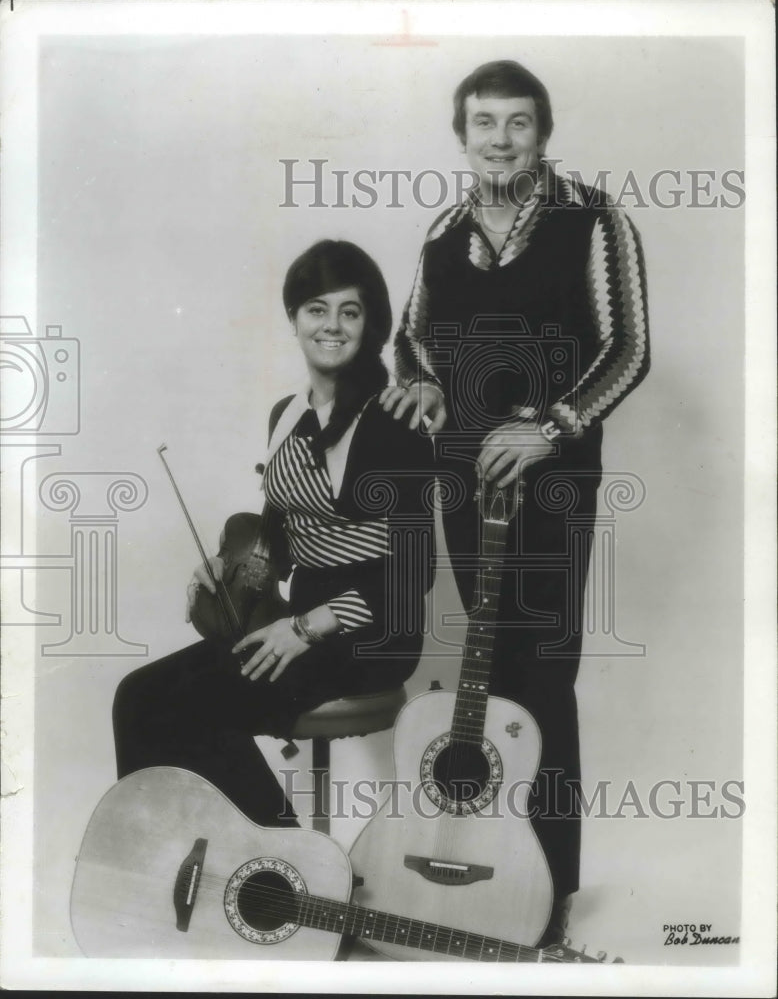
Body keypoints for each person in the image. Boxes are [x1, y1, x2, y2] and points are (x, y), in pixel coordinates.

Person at [381, 59, 650, 944]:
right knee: (485, 673)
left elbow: (628, 349)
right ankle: (487, 876)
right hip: (462, 481)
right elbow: (410, 343)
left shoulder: (595, 219)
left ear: (545, 132)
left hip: (553, 483)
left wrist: (552, 426)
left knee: (545, 676)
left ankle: (552, 896)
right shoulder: (442, 231)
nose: (501, 140)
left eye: (519, 123)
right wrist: (418, 387)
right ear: (461, 136)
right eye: (485, 123)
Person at [114, 239, 435, 829]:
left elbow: (414, 575)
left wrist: (307, 627)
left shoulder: (394, 423)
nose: (332, 326)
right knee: (137, 695)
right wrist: (223, 565)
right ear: (294, 319)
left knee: (191, 707)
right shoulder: (285, 413)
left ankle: (286, 870)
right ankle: (167, 859)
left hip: (370, 637)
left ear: (372, 323)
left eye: (350, 310)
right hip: (292, 623)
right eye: (317, 308)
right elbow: (281, 536)